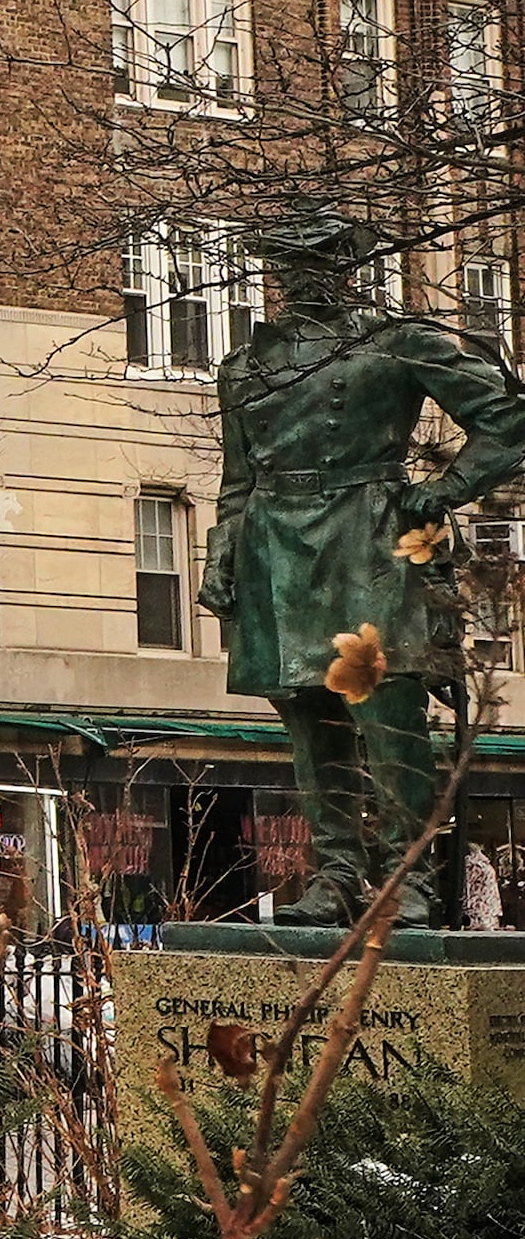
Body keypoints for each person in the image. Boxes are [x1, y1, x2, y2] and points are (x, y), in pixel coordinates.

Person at [201, 208, 525, 927]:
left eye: (317, 261)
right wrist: (223, 550)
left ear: (346, 269)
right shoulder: (246, 366)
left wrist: (442, 492)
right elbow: (237, 477)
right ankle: (336, 876)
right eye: (287, 263)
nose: (300, 276)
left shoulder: (396, 343)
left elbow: (506, 417)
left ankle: (407, 875)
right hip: (274, 545)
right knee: (309, 722)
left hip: (369, 534)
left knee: (388, 715)